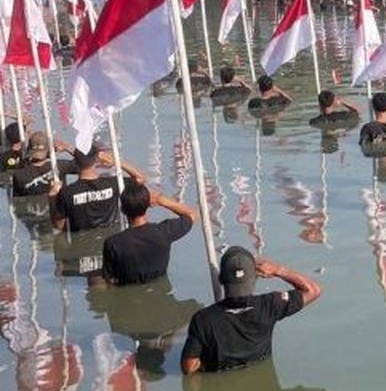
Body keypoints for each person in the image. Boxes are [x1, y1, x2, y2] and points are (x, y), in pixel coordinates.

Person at [180, 246, 321, 375]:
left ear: (221, 280)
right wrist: (278, 270)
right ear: (255, 278)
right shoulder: (271, 305)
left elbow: (189, 367)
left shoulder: (203, 319)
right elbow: (313, 290)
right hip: (260, 368)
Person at [102, 182, 196, 285]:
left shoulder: (113, 243)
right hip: (160, 293)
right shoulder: (165, 232)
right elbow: (191, 215)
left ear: (123, 210)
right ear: (148, 206)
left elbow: (109, 279)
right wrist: (161, 201)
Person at [49, 145, 147, 233]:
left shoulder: (67, 193)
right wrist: (116, 161)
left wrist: (52, 197)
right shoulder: (113, 184)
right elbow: (140, 178)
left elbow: (59, 225)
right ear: (96, 160)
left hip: (83, 245)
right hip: (112, 238)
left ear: (75, 163)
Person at [10, 133, 76, 197]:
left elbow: (17, 204)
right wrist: (67, 148)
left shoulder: (19, 174)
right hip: (53, 206)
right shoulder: (59, 165)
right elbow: (84, 163)